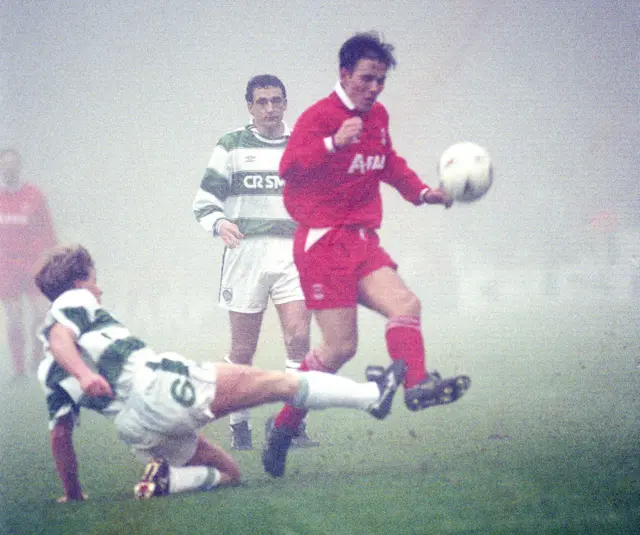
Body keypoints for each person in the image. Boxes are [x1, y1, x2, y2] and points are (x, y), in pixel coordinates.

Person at [34, 244, 405, 502]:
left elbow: (60, 437)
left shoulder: (48, 374)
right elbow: (59, 337)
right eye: (95, 279)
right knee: (280, 383)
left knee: (229, 472)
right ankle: (373, 397)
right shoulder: (73, 299)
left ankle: (169, 481)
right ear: (79, 281)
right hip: (158, 388)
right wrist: (84, 374)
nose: (99, 288)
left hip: (136, 431)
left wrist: (72, 490)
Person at [262, 32, 471, 478]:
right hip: (322, 242)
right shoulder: (319, 117)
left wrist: (423, 193)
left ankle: (416, 385)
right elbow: (289, 166)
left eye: (380, 80)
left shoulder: (378, 117)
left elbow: (388, 162)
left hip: (361, 239)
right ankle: (281, 427)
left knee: (406, 305)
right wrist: (333, 143)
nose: (374, 88)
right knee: (339, 349)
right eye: (366, 78)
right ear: (344, 74)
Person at [193, 75, 316, 450]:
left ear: (285, 104)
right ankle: (239, 424)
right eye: (261, 102)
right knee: (243, 349)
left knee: (298, 338)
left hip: (293, 253)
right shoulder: (231, 145)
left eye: (276, 101)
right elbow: (204, 200)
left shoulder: (301, 144)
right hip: (246, 255)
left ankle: (289, 425)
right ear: (249, 106)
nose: (269, 109)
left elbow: (321, 194)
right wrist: (219, 223)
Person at [0, 148, 56, 377]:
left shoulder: (34, 195)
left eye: (12, 164)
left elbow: (48, 231)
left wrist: (50, 257)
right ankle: (19, 370)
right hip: (6, 266)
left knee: (42, 314)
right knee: (14, 318)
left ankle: (36, 357)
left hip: (33, 264)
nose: (8, 169)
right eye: (4, 165)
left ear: (19, 166)